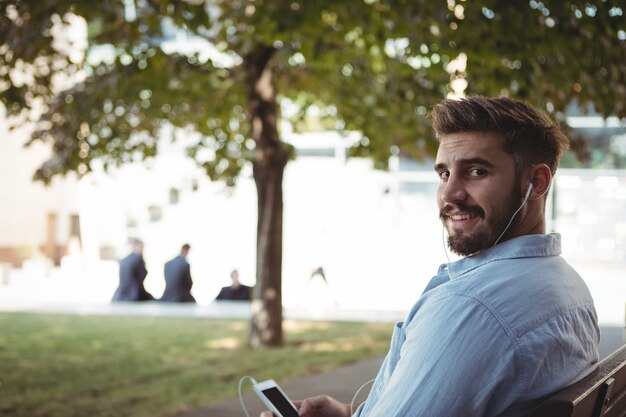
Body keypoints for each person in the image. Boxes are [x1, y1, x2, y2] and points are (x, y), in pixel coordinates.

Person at [261, 96, 600, 417]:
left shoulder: (472, 307)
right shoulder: (566, 283)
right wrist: (353, 412)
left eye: (477, 171)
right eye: (444, 173)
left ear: (536, 182)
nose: (449, 194)